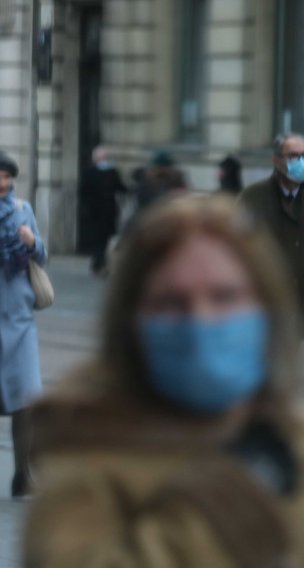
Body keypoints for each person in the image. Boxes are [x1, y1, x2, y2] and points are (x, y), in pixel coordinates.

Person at [23, 194, 304, 566]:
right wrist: (228, 499)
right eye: (172, 303)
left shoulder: (288, 440)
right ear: (131, 323)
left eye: (225, 296)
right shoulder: (85, 462)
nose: (201, 322)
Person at [0, 148, 47, 498]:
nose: (1, 184)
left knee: (25, 398)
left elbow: (42, 255)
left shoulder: (22, 209)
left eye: (6, 177)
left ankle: (23, 474)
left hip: (18, 312)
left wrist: (33, 242)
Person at [239, 133, 304, 325]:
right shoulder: (253, 197)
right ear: (276, 160)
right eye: (293, 156)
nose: (300, 161)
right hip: (269, 298)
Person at [78, 145, 127, 274]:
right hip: (103, 211)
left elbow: (84, 192)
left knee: (100, 238)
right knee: (102, 238)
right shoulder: (108, 172)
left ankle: (98, 262)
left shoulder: (95, 172)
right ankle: (99, 262)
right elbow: (120, 187)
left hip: (101, 211)